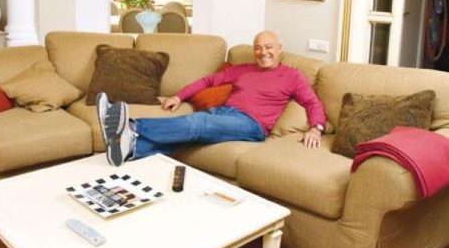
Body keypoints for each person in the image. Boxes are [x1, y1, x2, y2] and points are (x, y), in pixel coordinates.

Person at [97, 30, 326, 167]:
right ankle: (129, 148)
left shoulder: (292, 76)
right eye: (258, 48)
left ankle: (128, 126)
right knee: (188, 134)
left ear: (279, 49)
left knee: (197, 123)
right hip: (224, 114)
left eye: (268, 47)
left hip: (251, 124)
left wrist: (315, 128)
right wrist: (179, 96)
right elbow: (208, 81)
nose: (263, 52)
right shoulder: (243, 69)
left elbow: (312, 102)